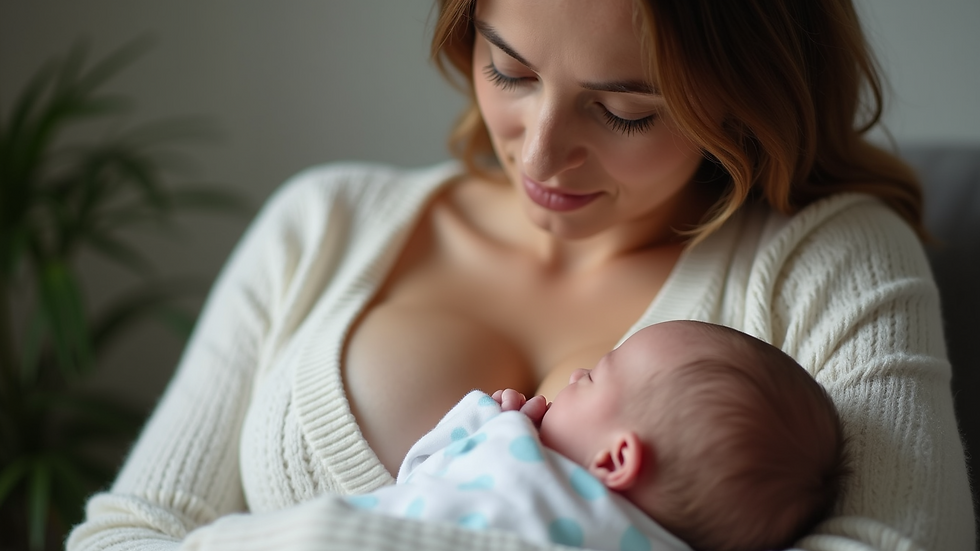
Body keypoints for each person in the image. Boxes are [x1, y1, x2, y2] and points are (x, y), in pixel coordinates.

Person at [67, 0, 975, 550]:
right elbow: (124, 533)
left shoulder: (830, 258)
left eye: (622, 111)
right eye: (509, 71)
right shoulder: (326, 222)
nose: (541, 152)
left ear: (740, 100)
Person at [334, 320, 848, 551]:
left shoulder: (521, 461)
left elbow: (415, 484)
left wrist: (482, 426)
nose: (576, 374)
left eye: (596, 376)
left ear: (614, 459)